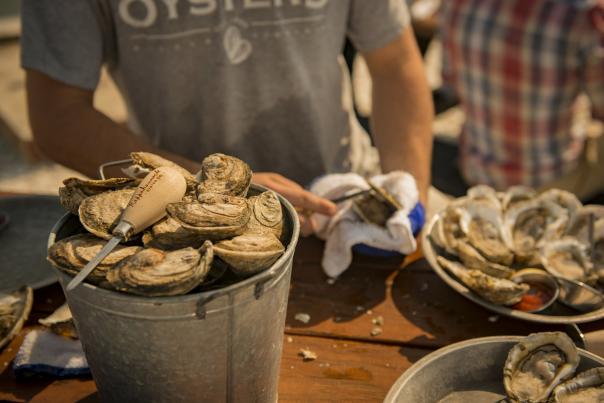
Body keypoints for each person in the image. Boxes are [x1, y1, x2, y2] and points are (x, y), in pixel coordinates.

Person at [22, 0, 433, 234]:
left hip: (339, 205)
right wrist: (211, 189)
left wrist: (408, 199)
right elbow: (57, 117)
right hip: (184, 224)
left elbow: (395, 67)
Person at [437, 0, 604, 200]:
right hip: (551, 179)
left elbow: (450, 82)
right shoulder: (583, 14)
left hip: (477, 172)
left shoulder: (455, 4)